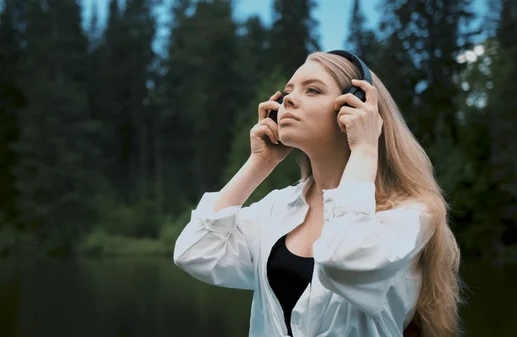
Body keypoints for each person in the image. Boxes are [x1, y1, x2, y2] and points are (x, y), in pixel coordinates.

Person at [172, 50, 463, 337]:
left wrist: (364, 148)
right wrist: (260, 163)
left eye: (312, 90)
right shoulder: (277, 208)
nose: (289, 100)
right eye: (288, 92)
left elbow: (344, 259)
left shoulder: (408, 214)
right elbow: (195, 252)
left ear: (356, 106)